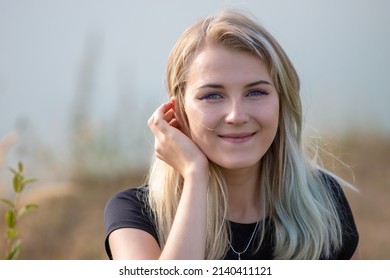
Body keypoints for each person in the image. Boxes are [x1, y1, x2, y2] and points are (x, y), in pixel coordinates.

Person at [104, 9, 359, 260]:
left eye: (256, 92)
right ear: (178, 109)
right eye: (212, 95)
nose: (236, 116)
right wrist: (194, 174)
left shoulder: (323, 200)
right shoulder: (134, 215)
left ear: (282, 101)